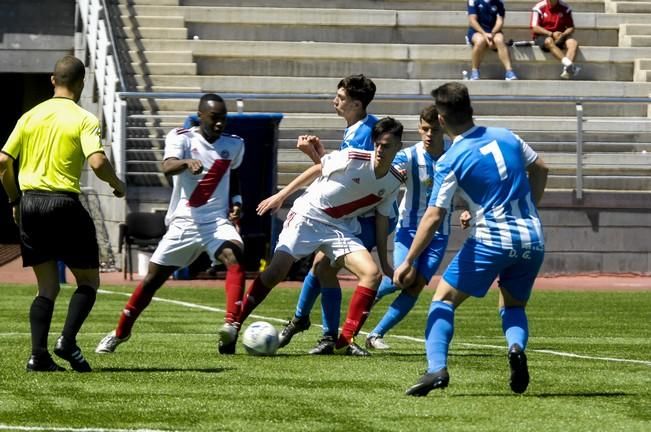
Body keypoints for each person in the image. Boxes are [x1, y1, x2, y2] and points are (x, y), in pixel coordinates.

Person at [394, 82, 548, 396]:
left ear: (440, 119)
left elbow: (434, 216)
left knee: (443, 300)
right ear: (472, 110)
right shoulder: (507, 135)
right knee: (513, 305)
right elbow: (542, 168)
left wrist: (409, 260)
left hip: (492, 239)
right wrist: (529, 207)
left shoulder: (451, 159)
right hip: (532, 237)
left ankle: (436, 368)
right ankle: (516, 348)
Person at [228, 117, 405, 355]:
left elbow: (383, 219)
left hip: (337, 227)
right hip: (307, 215)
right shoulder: (355, 157)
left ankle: (345, 342)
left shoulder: (394, 180)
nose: (381, 150)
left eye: (387, 145)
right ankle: (234, 326)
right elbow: (318, 167)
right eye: (378, 144)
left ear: (398, 147)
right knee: (276, 271)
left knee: (372, 275)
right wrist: (281, 196)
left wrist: (385, 262)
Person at [0, 55, 126, 372]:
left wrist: (15, 201)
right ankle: (67, 342)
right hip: (63, 204)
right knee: (88, 281)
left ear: (53, 80)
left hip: (30, 204)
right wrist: (116, 184)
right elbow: (97, 162)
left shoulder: (30, 116)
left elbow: (3, 161)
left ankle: (38, 356)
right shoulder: (83, 118)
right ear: (81, 83)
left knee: (47, 288)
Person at [95, 93, 247, 355]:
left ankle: (231, 327)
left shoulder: (234, 145)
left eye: (223, 119)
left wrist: (236, 200)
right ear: (200, 116)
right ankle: (120, 332)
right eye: (214, 118)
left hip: (215, 222)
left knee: (234, 255)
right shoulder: (182, 138)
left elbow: (235, 174)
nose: (220, 124)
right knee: (153, 280)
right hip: (184, 222)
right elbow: (167, 167)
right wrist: (186, 163)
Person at [277, 74, 397, 354]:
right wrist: (319, 154)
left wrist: (313, 157)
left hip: (368, 215)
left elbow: (351, 180)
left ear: (356, 103)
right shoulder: (360, 127)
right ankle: (323, 333)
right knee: (321, 268)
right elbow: (350, 175)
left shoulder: (363, 132)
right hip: (358, 211)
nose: (335, 101)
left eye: (340, 98)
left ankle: (321, 330)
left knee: (323, 267)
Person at [365, 105, 452, 350]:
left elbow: (466, 186)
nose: (429, 134)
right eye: (424, 129)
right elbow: (385, 171)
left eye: (434, 129)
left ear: (443, 128)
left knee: (415, 285)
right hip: (410, 228)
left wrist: (467, 209)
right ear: (418, 128)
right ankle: (367, 296)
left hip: (440, 232)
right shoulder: (409, 156)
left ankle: (375, 335)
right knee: (402, 277)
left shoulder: (454, 155)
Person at [466, 0, 518, 80]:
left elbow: (500, 21)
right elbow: (472, 20)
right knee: (480, 41)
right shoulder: (473, 1)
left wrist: (492, 33)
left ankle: (509, 71)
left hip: (493, 31)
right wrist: (484, 34)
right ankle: (474, 71)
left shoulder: (499, 2)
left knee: (499, 40)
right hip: (477, 31)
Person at [530, 0, 580, 79]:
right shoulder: (539, 7)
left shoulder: (565, 7)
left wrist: (563, 35)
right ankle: (569, 65)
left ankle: (566, 71)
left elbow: (571, 27)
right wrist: (551, 34)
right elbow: (534, 27)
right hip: (543, 35)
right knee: (549, 40)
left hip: (560, 35)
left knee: (573, 42)